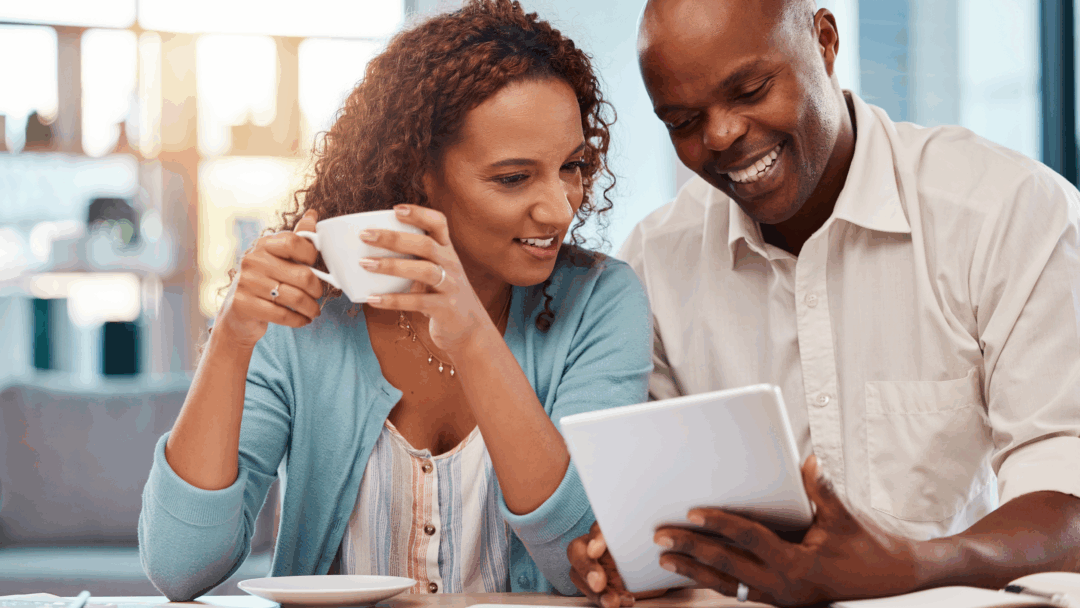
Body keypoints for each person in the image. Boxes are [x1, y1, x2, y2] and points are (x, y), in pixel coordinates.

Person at [567, 0, 1080, 606]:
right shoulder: (654, 263)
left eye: (751, 91)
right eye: (682, 121)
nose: (721, 135)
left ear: (826, 41)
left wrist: (908, 567)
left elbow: (1068, 513)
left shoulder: (1007, 212)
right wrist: (627, 555)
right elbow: (659, 518)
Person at [138, 0, 652, 600]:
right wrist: (231, 339)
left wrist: (472, 338)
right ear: (418, 174)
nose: (561, 208)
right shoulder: (309, 313)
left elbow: (586, 562)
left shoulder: (600, 301)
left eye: (572, 166)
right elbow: (180, 568)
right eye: (514, 178)